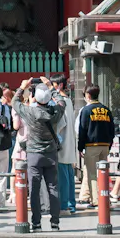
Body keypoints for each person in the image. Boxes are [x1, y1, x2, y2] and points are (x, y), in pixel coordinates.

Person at [13, 77, 64, 232]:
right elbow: (61, 101)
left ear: (35, 97)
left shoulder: (30, 111)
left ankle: (36, 223)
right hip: (51, 153)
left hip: (34, 154)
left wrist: (22, 87)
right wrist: (51, 86)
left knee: (34, 190)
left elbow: (15, 102)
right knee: (53, 188)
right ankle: (55, 222)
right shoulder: (56, 112)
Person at [76, 84, 114, 209]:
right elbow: (111, 129)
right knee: (102, 173)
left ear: (88, 95)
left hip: (91, 145)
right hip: (105, 145)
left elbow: (82, 130)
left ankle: (97, 200)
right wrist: (109, 144)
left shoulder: (86, 110)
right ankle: (102, 198)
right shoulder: (106, 109)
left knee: (92, 174)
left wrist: (80, 147)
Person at [49, 75, 78, 213]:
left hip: (62, 143)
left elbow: (60, 124)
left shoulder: (61, 102)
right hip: (69, 143)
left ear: (59, 85)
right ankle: (71, 204)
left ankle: (64, 205)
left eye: (53, 84)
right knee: (69, 175)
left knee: (63, 177)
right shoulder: (69, 101)